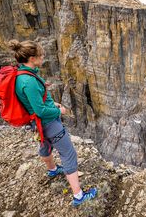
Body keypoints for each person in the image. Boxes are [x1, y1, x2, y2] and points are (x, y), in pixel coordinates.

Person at [7, 39, 97, 206]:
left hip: (38, 124)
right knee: (69, 154)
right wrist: (58, 111)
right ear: (32, 58)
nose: (44, 58)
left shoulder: (22, 75)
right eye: (41, 56)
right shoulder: (29, 81)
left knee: (45, 145)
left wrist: (51, 103)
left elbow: (35, 103)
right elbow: (40, 111)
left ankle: (53, 170)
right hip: (48, 123)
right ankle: (79, 196)